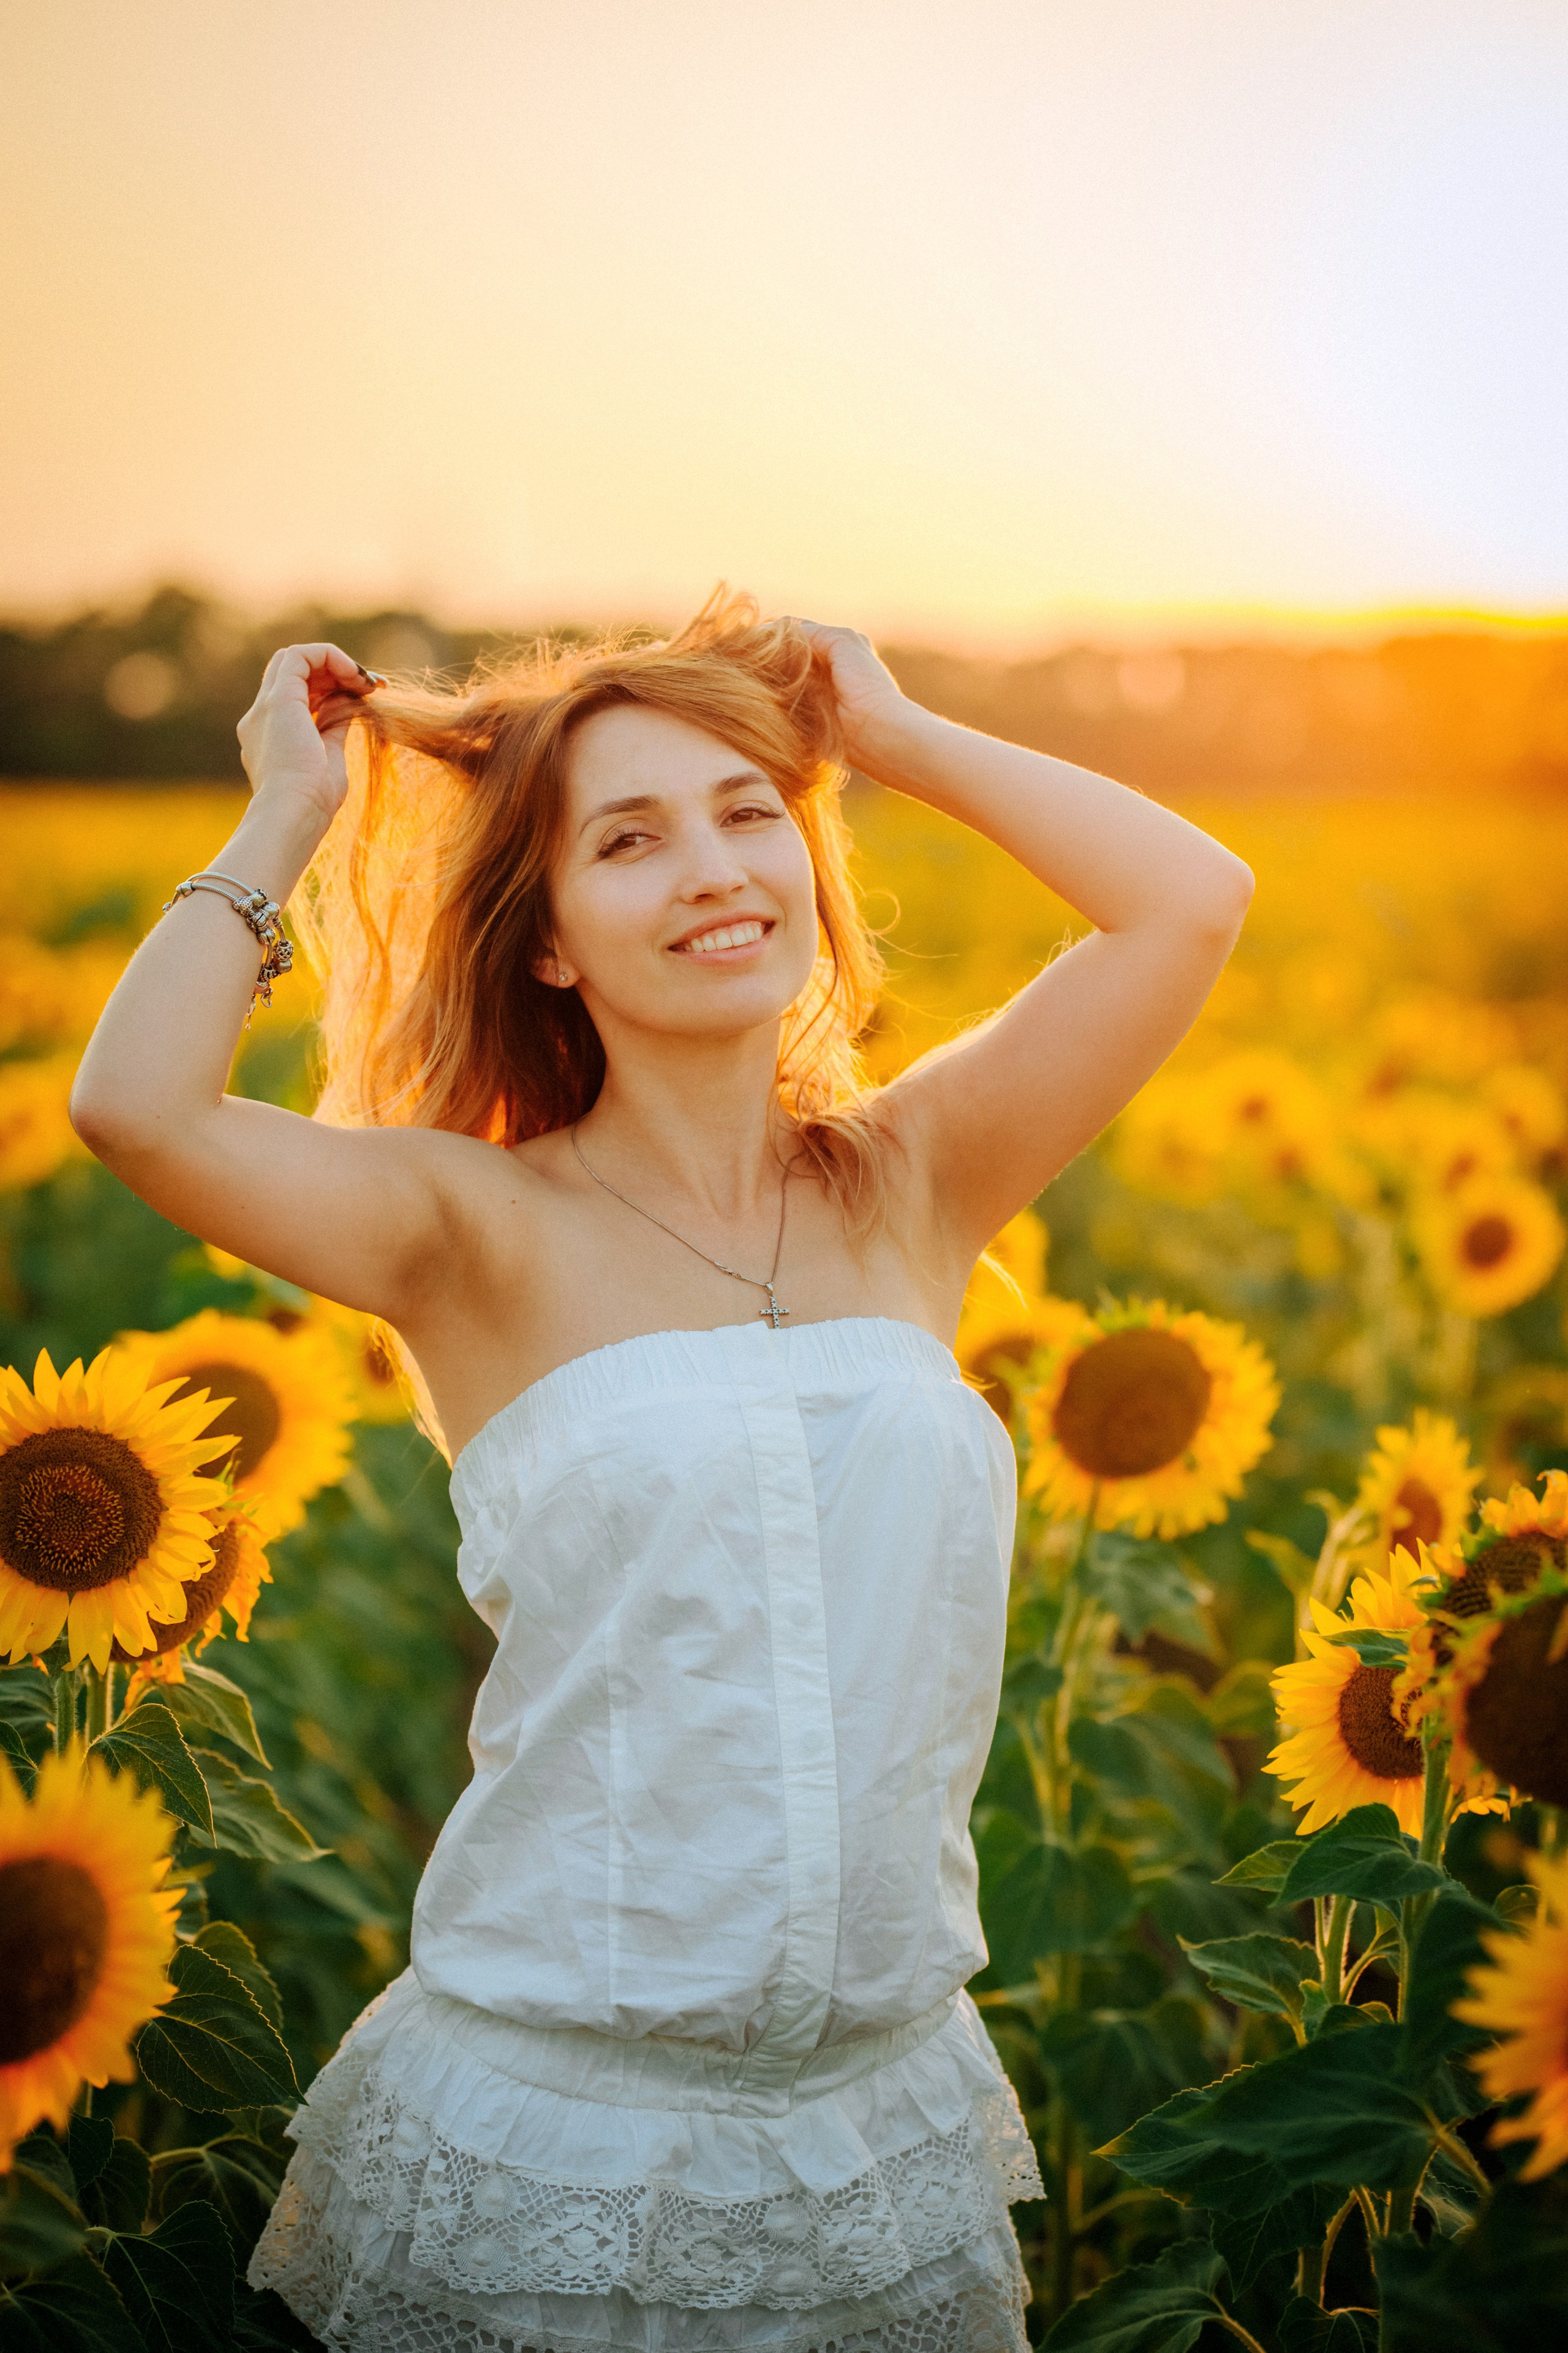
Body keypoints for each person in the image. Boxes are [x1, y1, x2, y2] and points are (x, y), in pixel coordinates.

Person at [70, 592, 1253, 2353]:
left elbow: (1191, 899)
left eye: (748, 810)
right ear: (547, 941)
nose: (715, 867)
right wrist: (283, 815)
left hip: (883, 2128)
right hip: (561, 2141)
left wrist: (891, 729)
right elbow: (140, 1109)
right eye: (630, 838)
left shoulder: (917, 1179)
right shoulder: (469, 1225)